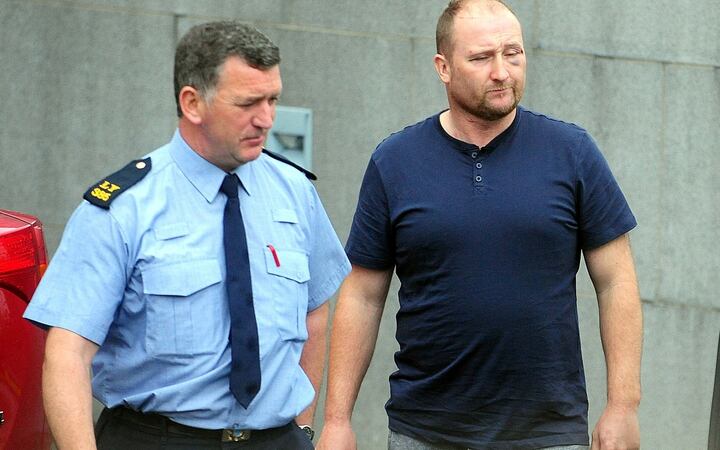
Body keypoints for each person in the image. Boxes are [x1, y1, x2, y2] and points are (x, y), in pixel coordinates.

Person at [317, 1, 642, 449]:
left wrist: (623, 406)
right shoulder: (395, 161)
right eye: (482, 57)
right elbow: (362, 294)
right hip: (425, 430)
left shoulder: (571, 152)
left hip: (548, 430)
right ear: (443, 67)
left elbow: (616, 282)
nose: (502, 71)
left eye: (513, 53)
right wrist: (337, 420)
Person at [23, 21, 350, 450]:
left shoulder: (295, 193)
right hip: (159, 438)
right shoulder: (124, 208)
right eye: (248, 102)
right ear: (192, 103)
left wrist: (301, 427)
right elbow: (67, 353)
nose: (266, 119)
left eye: (273, 99)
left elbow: (315, 310)